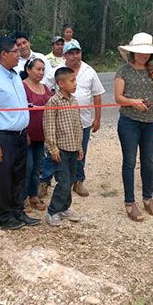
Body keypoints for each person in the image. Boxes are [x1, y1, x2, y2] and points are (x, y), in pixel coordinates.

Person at [0, 37, 40, 230]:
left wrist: (25, 130)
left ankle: (18, 211)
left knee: (20, 175)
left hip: (20, 135)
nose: (19, 54)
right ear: (4, 54)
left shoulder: (13, 75)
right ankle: (4, 216)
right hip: (2, 136)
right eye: (15, 51)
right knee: (3, 178)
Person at [114, 32, 153, 222]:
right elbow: (118, 97)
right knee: (129, 161)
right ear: (133, 52)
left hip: (151, 121)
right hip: (129, 121)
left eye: (147, 52)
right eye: (140, 52)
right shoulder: (123, 71)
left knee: (148, 161)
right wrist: (132, 101)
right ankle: (130, 202)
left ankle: (147, 197)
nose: (143, 55)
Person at [42, 42, 105, 197]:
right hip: (60, 124)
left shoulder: (89, 71)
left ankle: (78, 181)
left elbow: (97, 95)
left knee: (80, 152)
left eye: (77, 52)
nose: (75, 56)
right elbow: (44, 87)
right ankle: (45, 181)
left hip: (82, 122)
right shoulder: (57, 71)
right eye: (71, 53)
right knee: (53, 153)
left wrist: (97, 118)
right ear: (64, 55)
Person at [44, 67, 84, 226]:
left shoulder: (74, 100)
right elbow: (49, 127)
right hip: (60, 150)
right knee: (64, 181)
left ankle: (64, 208)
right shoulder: (53, 101)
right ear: (61, 83)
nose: (75, 83)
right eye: (72, 80)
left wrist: (80, 146)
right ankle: (52, 211)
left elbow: (77, 125)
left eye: (75, 80)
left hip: (73, 148)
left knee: (72, 178)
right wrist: (53, 148)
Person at [21, 59, 51, 211]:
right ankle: (23, 197)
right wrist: (24, 132)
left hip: (41, 134)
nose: (41, 72)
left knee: (37, 167)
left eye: (43, 69)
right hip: (26, 134)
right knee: (27, 166)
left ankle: (33, 195)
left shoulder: (45, 88)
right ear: (28, 70)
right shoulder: (22, 87)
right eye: (38, 69)